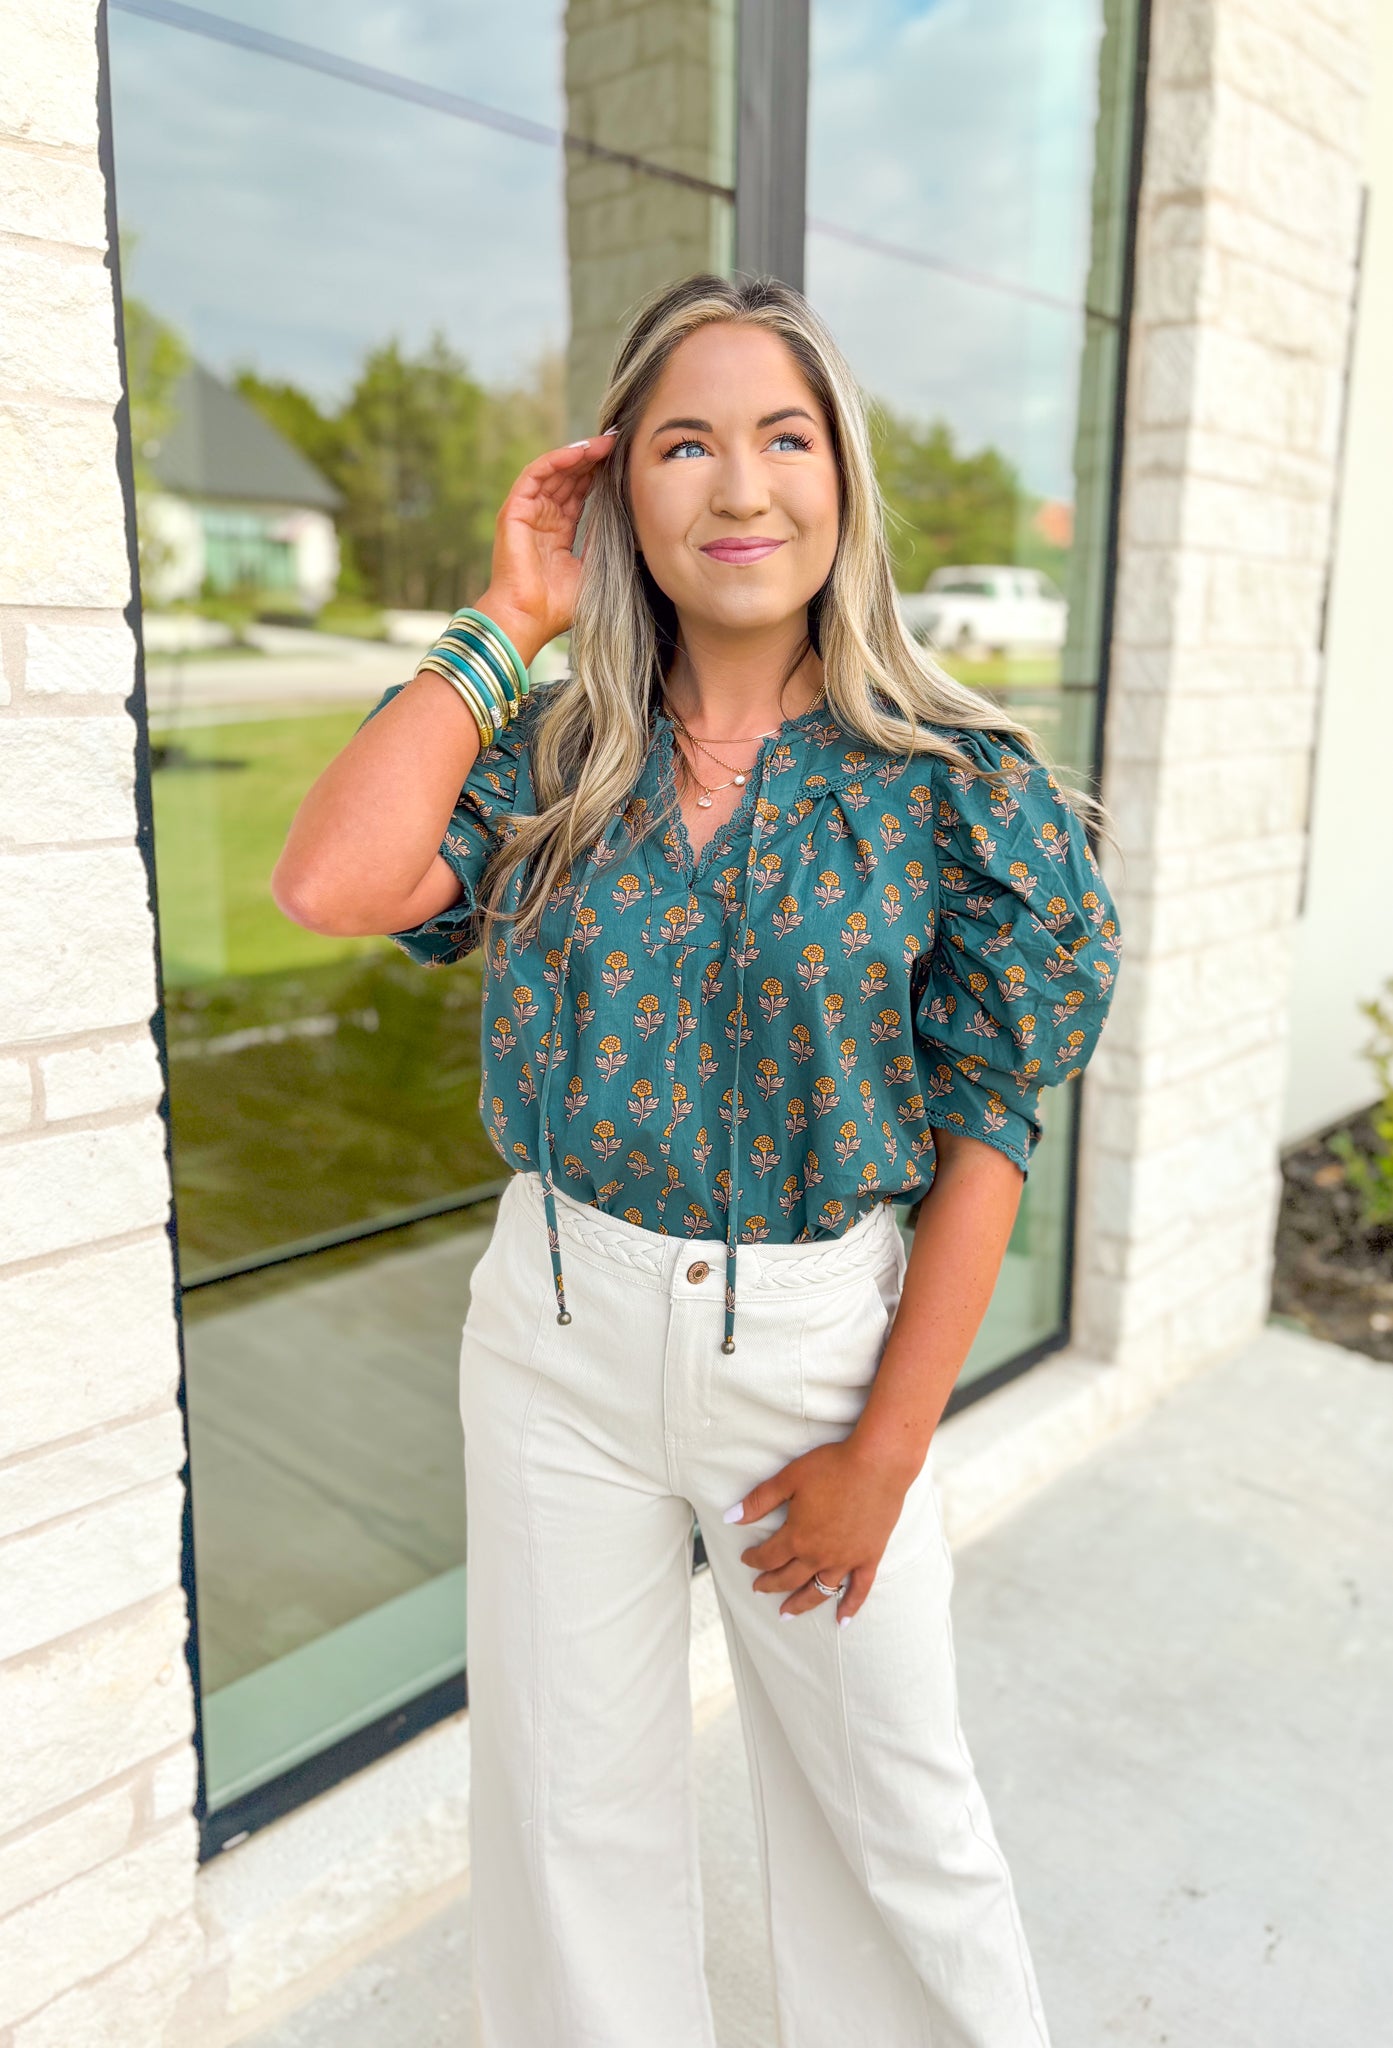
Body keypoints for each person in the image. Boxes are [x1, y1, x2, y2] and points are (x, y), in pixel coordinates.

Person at [273, 272, 1122, 2048]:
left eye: (782, 438)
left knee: (895, 1825)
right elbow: (335, 883)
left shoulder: (958, 791)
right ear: (616, 496)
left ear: (841, 481)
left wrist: (884, 1456)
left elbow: (989, 1138)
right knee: (569, 1822)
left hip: (815, 1363)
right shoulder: (554, 757)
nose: (741, 488)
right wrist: (506, 613)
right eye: (684, 444)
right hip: (553, 1341)